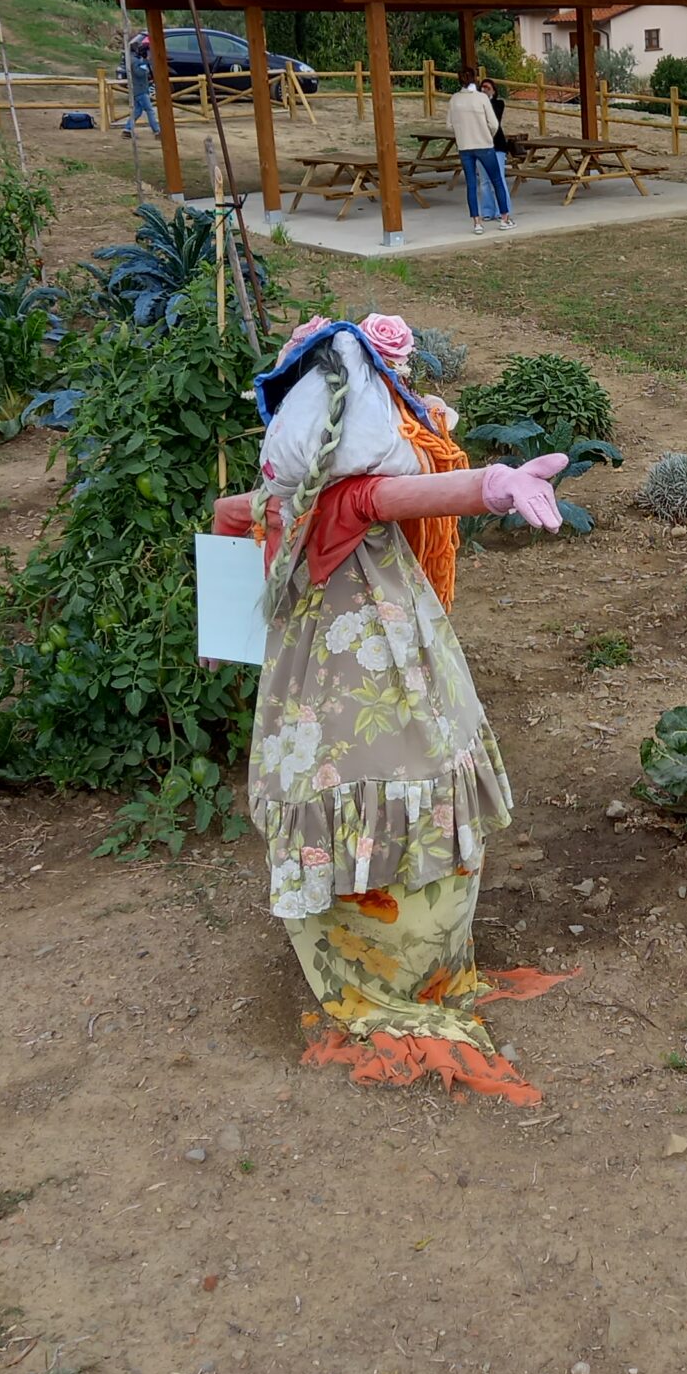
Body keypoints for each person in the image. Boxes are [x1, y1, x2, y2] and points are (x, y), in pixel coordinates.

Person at [210, 314, 575, 1103]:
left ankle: (365, 952)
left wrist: (222, 626)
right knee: (410, 761)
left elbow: (227, 516)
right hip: (390, 659)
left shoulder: (283, 503)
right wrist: (496, 484)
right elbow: (420, 489)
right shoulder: (349, 500)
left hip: (307, 677)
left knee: (326, 779)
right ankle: (411, 967)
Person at [447, 68, 513, 233]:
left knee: (471, 184)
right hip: (484, 145)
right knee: (497, 180)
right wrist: (486, 135)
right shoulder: (481, 98)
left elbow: (449, 126)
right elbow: (494, 124)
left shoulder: (454, 99)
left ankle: (477, 222)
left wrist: (462, 133)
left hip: (465, 147)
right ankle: (504, 218)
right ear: (475, 80)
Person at [119, 36, 160, 137]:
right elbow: (139, 73)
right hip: (140, 89)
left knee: (137, 111)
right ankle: (157, 131)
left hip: (138, 88)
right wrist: (146, 63)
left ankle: (127, 130)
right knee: (149, 110)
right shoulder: (136, 61)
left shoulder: (133, 59)